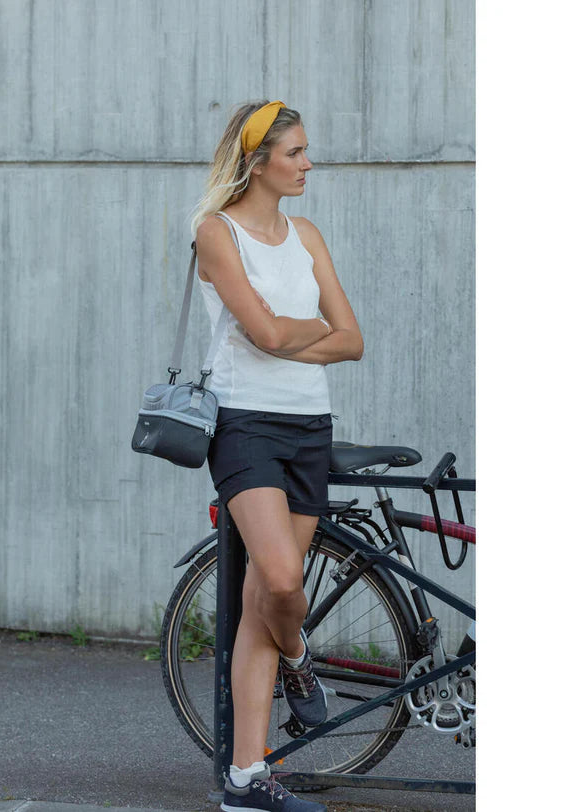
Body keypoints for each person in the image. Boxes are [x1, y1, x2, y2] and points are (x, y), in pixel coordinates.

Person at [191, 101, 364, 812]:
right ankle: (298, 657)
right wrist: (304, 331)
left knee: (264, 598)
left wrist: (290, 333)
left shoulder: (307, 235)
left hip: (308, 426)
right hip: (245, 425)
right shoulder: (217, 232)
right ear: (257, 160)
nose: (307, 163)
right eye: (294, 152)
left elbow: (352, 339)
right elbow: (262, 337)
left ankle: (245, 778)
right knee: (284, 579)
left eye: (305, 151)